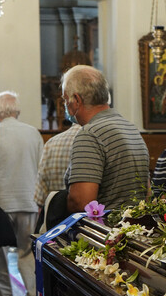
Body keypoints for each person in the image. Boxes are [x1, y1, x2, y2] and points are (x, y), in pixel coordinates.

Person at [63, 65, 150, 212]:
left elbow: (81, 203)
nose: (65, 105)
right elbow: (147, 193)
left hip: (104, 231)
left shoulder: (90, 134)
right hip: (133, 227)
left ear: (76, 100)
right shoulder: (131, 128)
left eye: (66, 99)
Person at [0, 91, 43, 296]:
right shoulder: (33, 133)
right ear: (17, 111)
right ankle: (32, 294)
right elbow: (42, 167)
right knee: (27, 252)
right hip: (29, 200)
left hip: (0, 203)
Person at [34, 123, 80, 209]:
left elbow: (40, 198)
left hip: (55, 216)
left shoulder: (51, 143)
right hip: (87, 217)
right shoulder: (100, 139)